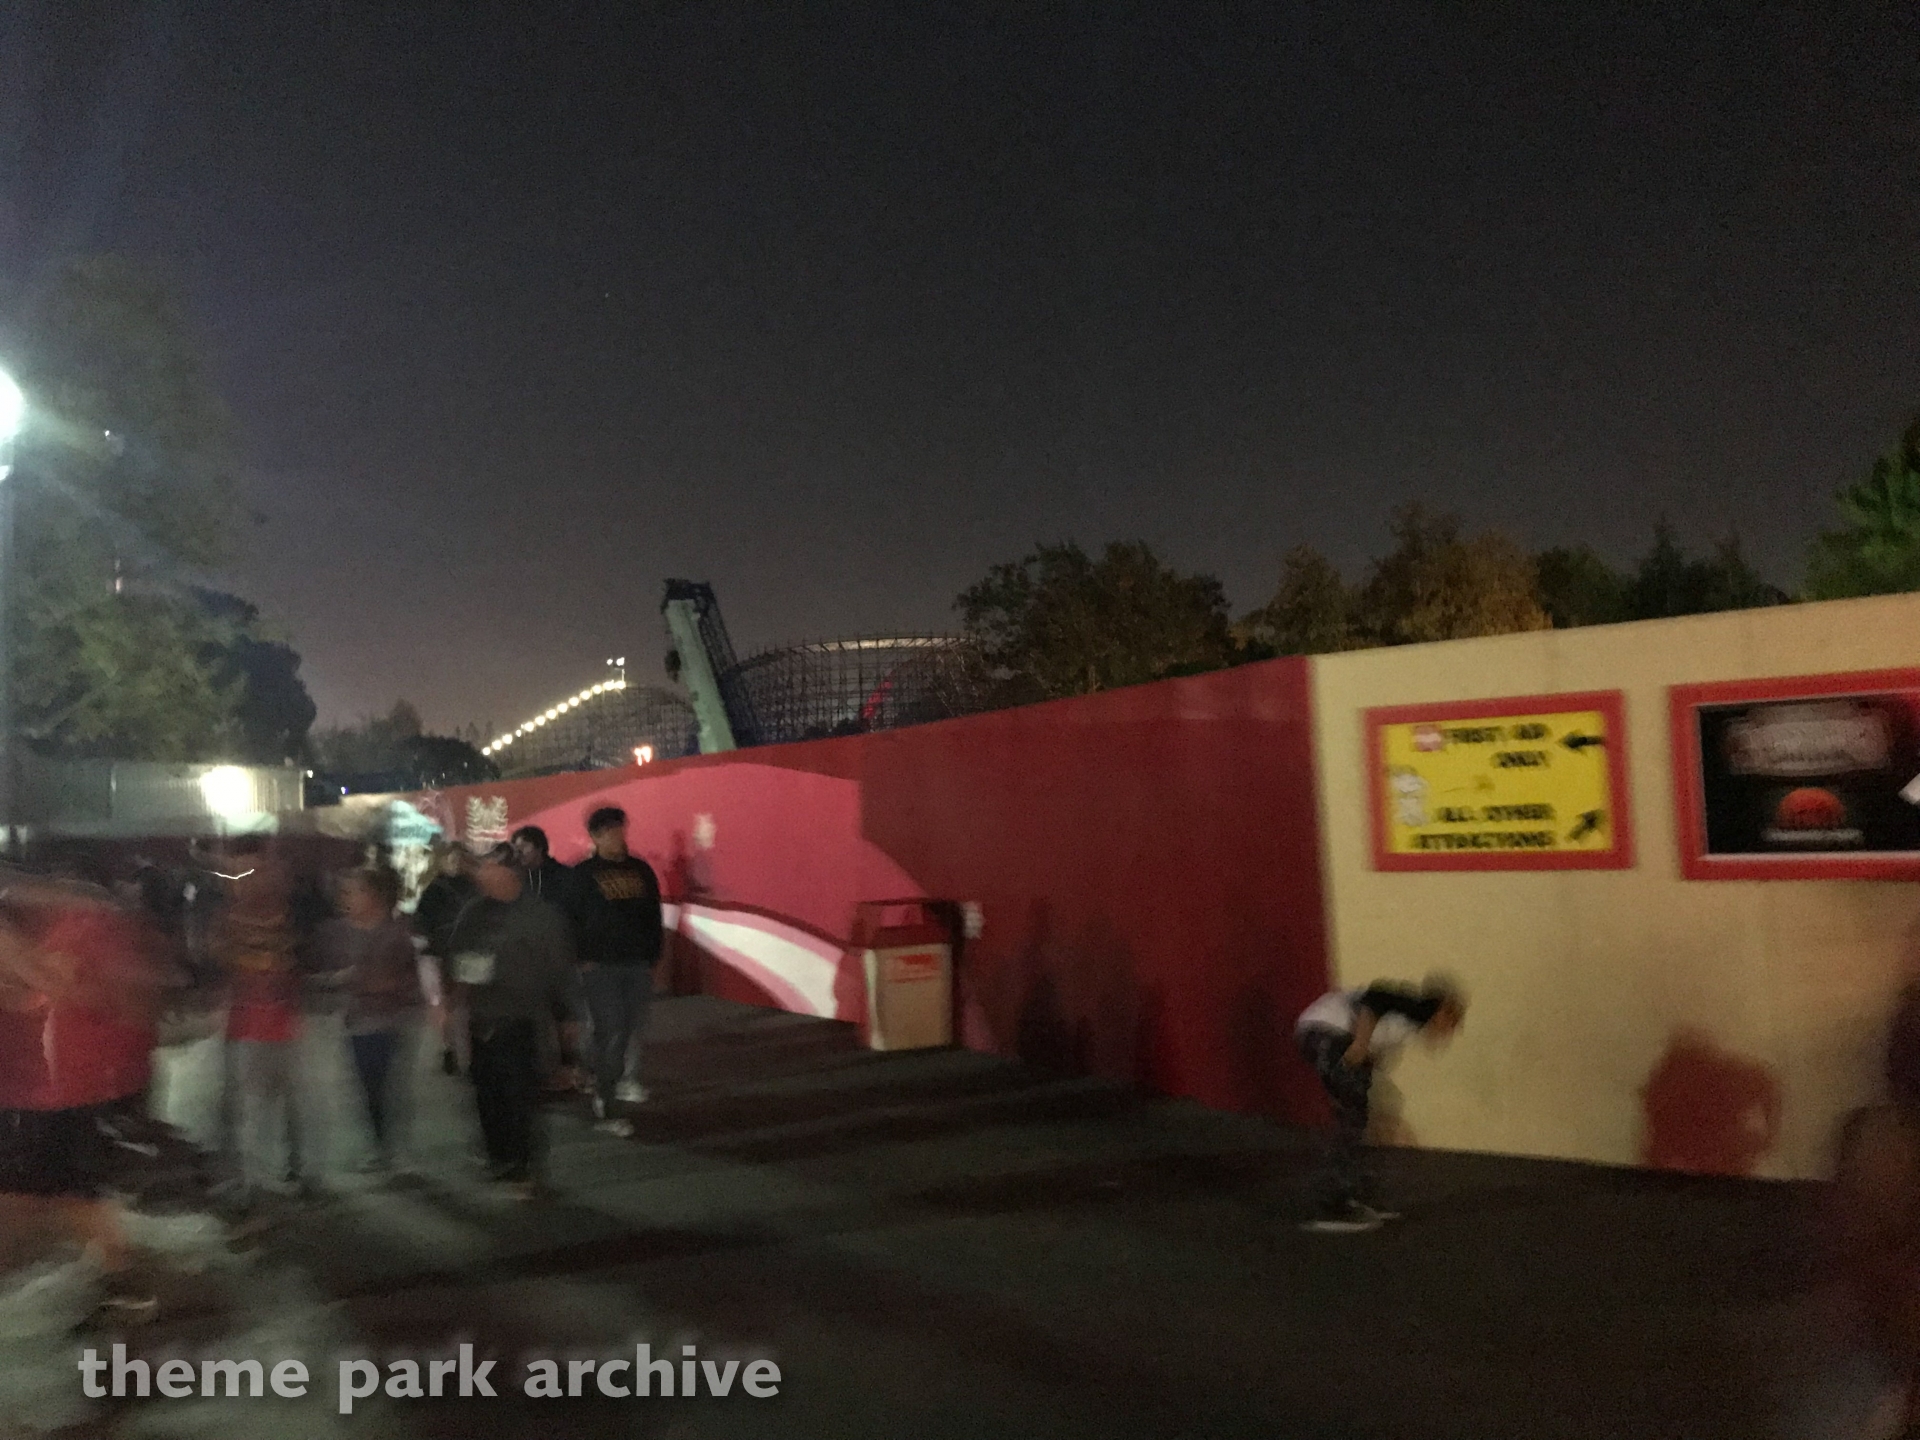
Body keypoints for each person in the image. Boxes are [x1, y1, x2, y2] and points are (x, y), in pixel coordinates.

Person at [445, 846, 579, 1200]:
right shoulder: (473, 912)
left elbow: (560, 973)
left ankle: (524, 1167)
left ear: (509, 873)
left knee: (520, 1098)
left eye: (488, 869)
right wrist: (452, 1011)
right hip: (481, 1018)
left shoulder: (541, 916)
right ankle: (499, 1158)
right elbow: (456, 960)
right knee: (486, 1094)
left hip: (523, 1019)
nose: (480, 876)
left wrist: (566, 1023)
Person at [1294, 976, 1466, 1233]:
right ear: (1444, 1010)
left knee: (1357, 1116)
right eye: (1454, 1021)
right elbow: (1376, 996)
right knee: (1352, 1117)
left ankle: (1350, 1195)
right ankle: (1334, 1204)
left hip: (1319, 1033)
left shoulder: (1406, 1027)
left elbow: (1372, 1059)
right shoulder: (1421, 1007)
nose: (1453, 1030)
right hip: (1326, 1032)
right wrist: (1360, 1044)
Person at [211, 838, 309, 1202]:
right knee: (245, 1104)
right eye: (237, 874)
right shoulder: (227, 920)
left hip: (279, 1024)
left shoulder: (285, 918)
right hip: (244, 1024)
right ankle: (251, 1175)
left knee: (278, 1102)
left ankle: (279, 1171)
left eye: (251, 873)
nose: (243, 881)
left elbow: (285, 971)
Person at [314, 867, 420, 1173]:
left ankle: (392, 1149)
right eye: (345, 893)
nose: (346, 899)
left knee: (388, 1086)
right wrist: (337, 979)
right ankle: (381, 1146)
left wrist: (389, 985)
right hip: (356, 1020)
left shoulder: (398, 932)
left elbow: (415, 977)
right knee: (368, 1087)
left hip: (392, 1019)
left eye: (354, 892)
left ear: (374, 895)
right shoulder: (336, 933)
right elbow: (316, 973)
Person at [570, 806, 664, 1137]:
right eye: (609, 831)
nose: (617, 836)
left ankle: (605, 1078)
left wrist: (654, 955)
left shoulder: (641, 870)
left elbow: (653, 915)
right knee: (611, 1031)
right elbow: (570, 920)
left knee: (630, 1029)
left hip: (636, 964)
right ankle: (606, 1101)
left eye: (619, 829)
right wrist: (581, 958)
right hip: (600, 967)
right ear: (595, 837)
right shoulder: (583, 875)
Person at [412, 841, 475, 1075]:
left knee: (454, 1003)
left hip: (449, 950)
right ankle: (454, 1047)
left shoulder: (437, 888)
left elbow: (421, 921)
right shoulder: (467, 888)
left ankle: (454, 1047)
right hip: (454, 951)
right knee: (455, 1003)